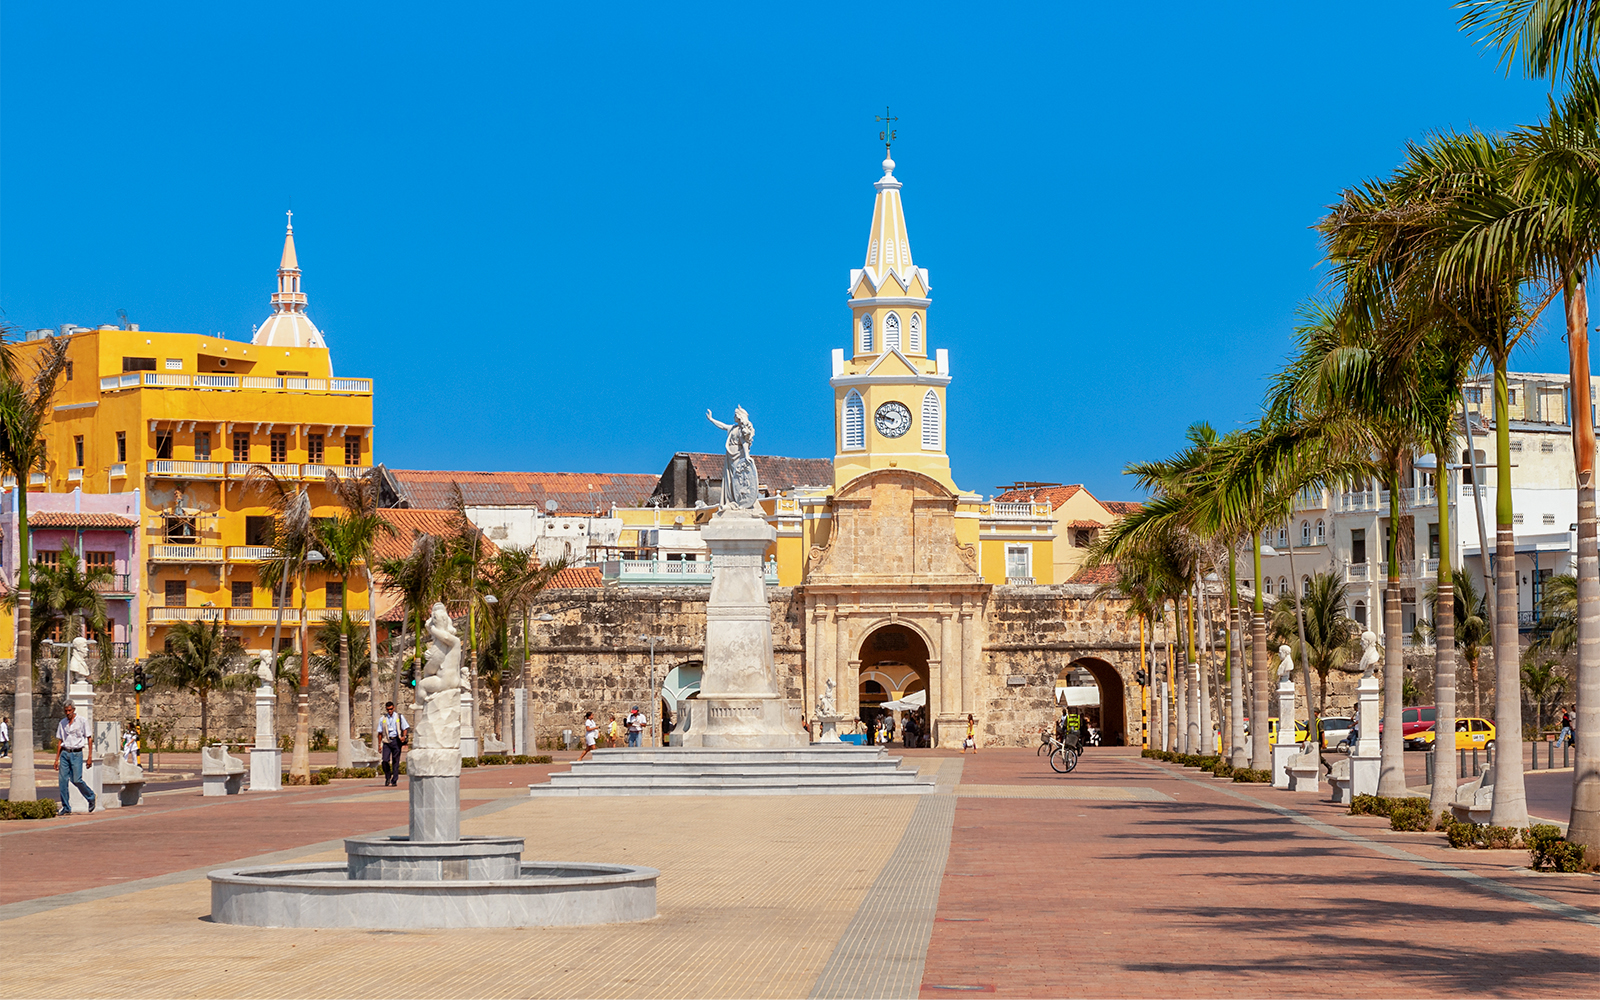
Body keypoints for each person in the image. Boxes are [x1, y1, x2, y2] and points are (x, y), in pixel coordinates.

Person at [54, 701, 95, 814]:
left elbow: (89, 738)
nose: (68, 713)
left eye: (69, 710)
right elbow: (60, 741)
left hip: (77, 753)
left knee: (76, 779)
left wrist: (89, 756)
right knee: (62, 781)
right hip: (65, 753)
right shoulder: (62, 723)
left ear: (74, 710)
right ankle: (66, 806)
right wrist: (56, 759)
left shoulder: (82, 721)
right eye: (66, 711)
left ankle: (90, 796)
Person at [378, 701, 410, 786]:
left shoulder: (399, 716)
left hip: (396, 740)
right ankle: (387, 777)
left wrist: (404, 736)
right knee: (385, 760)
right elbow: (380, 732)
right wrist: (379, 745)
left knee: (396, 761)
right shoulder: (383, 719)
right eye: (388, 709)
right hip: (387, 741)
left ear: (394, 708)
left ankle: (394, 780)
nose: (389, 711)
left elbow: (405, 727)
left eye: (391, 709)